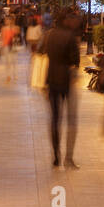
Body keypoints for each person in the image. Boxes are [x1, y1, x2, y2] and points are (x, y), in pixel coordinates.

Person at [41, 9, 81, 169]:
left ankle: (56, 155)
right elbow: (75, 61)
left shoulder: (49, 35)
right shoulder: (71, 37)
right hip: (67, 81)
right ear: (66, 20)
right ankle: (68, 158)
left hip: (51, 79)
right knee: (71, 120)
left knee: (55, 119)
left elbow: (41, 52)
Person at [0, 14, 20, 82]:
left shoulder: (16, 28)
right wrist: (1, 47)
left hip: (13, 46)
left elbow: (18, 38)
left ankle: (15, 75)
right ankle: (8, 76)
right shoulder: (3, 29)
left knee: (14, 61)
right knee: (7, 62)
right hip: (6, 46)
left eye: (8, 20)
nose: (7, 21)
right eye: (6, 20)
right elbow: (2, 38)